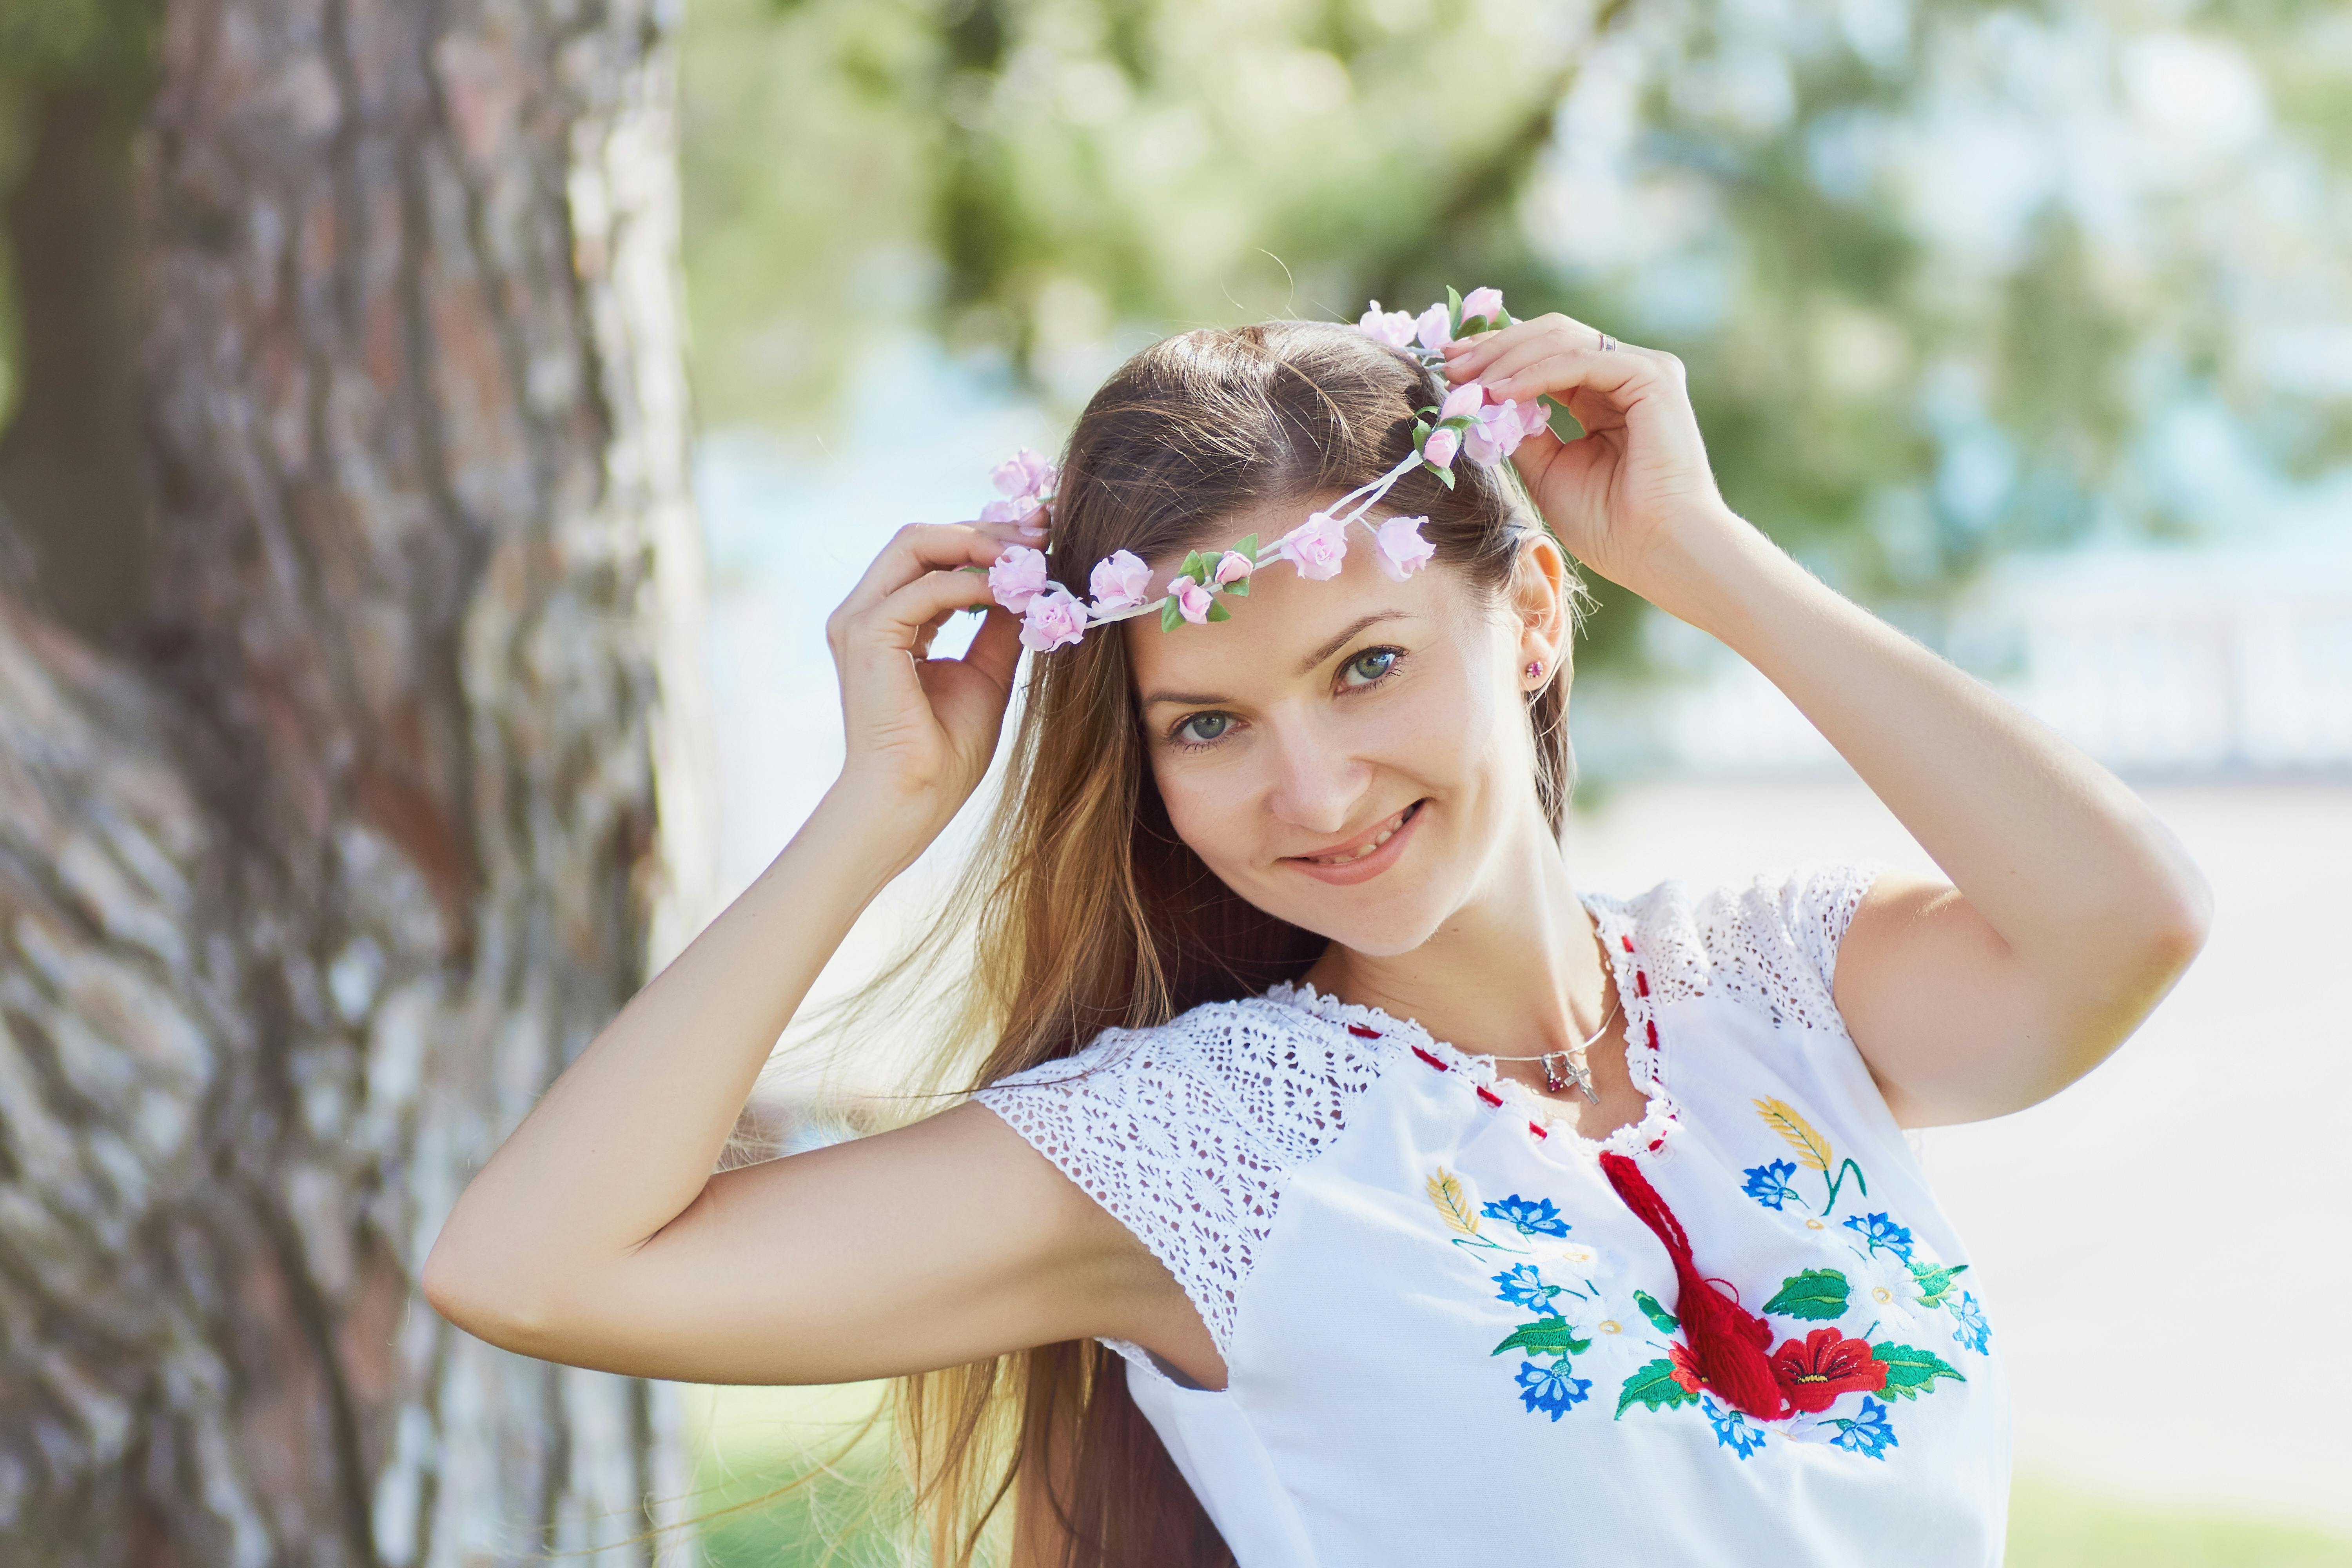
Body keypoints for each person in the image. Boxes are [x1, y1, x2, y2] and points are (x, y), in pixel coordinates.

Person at [422, 298, 2212, 1567]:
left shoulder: (1767, 988)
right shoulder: (1206, 1141)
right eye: (1209, 722)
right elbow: (534, 1266)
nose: (1315, 787)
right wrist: (881, 806)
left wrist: (1702, 547)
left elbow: (2124, 923)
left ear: (1527, 620)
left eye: (1367, 667)